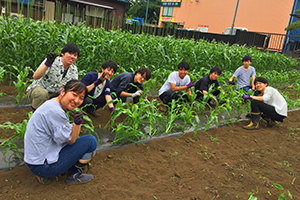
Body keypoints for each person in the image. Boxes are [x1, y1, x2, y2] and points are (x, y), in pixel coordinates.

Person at [24, 80, 98, 185]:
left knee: (77, 139)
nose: (77, 100)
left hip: (35, 160)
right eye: (74, 94)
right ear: (63, 91)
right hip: (43, 166)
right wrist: (78, 123)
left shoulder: (52, 103)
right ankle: (74, 175)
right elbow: (71, 140)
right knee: (90, 142)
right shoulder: (56, 112)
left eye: (81, 98)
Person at [26, 43, 80, 112]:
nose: (72, 57)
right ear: (62, 53)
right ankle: (35, 113)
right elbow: (35, 76)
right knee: (42, 93)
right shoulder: (52, 60)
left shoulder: (74, 69)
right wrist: (47, 64)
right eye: (70, 53)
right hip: (38, 91)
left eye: (75, 55)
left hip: (55, 95)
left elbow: (72, 87)